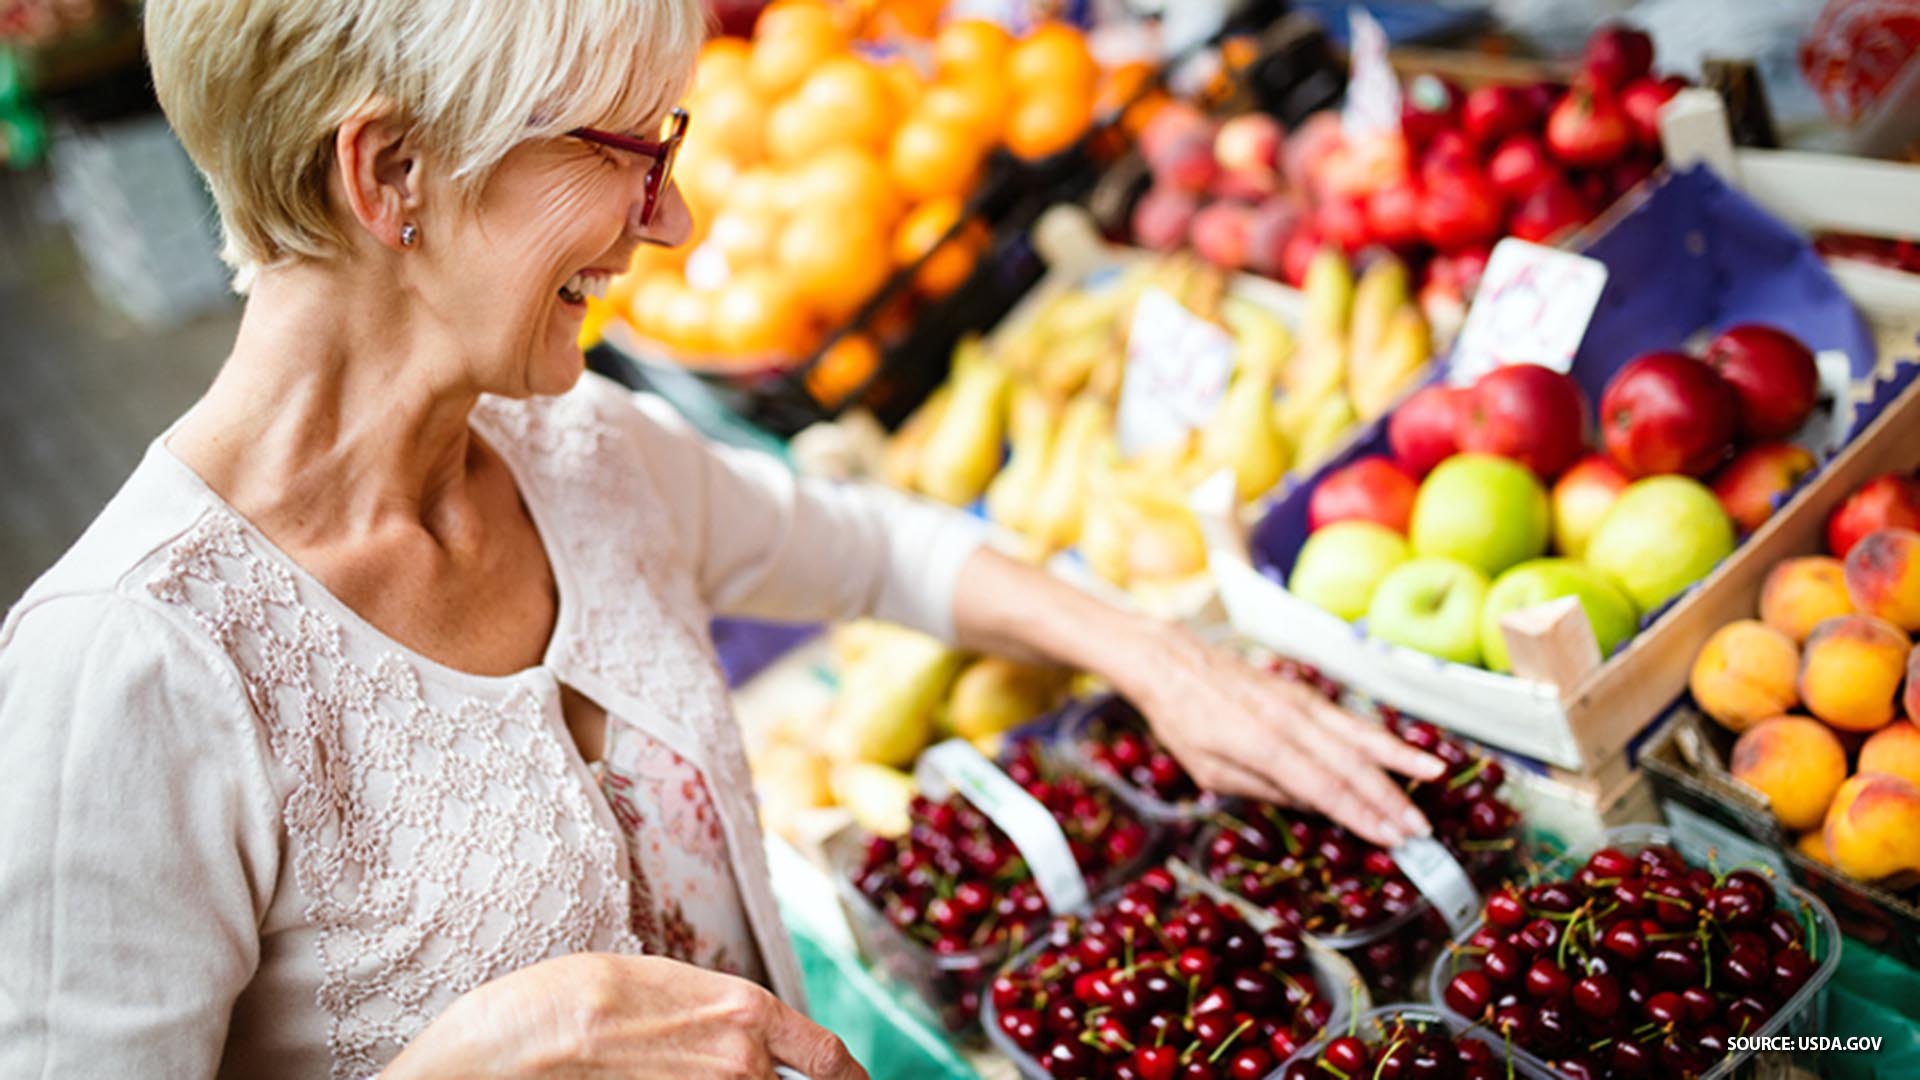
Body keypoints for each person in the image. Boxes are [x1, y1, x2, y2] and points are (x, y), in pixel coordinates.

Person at [0, 0, 1441, 1075]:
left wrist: (1160, 662)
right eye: (628, 150)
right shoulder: (128, 675)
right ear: (389, 176)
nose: (676, 217)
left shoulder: (587, 455)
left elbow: (882, 553)